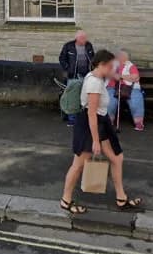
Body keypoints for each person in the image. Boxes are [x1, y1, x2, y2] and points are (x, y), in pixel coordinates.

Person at [59, 49, 144, 216]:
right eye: (111, 66)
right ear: (102, 65)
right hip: (90, 125)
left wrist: (122, 76)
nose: (113, 70)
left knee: (116, 158)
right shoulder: (94, 83)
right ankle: (65, 200)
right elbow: (91, 113)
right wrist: (96, 141)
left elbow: (115, 78)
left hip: (102, 122)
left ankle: (121, 197)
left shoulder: (98, 76)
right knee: (78, 165)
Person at [107, 49, 146, 132]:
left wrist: (121, 76)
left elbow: (135, 77)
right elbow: (109, 74)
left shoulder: (131, 66)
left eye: (122, 56)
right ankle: (108, 121)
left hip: (130, 88)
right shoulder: (111, 65)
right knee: (110, 100)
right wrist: (115, 75)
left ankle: (139, 122)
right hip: (113, 87)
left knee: (136, 99)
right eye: (119, 56)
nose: (120, 58)